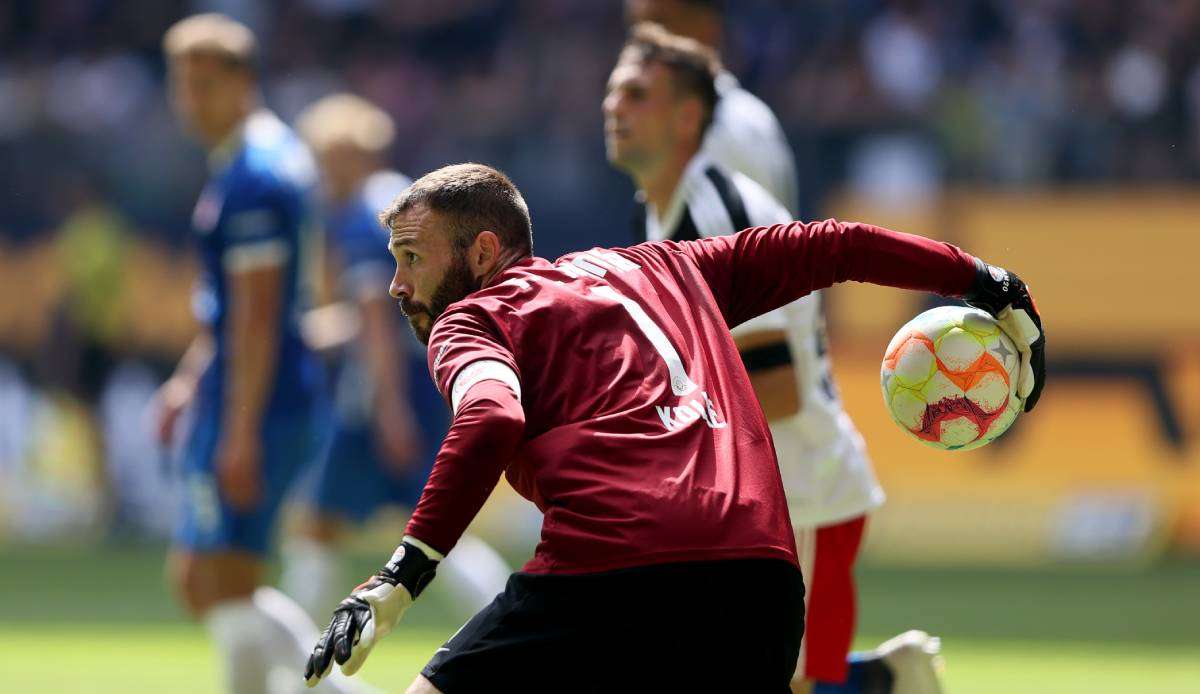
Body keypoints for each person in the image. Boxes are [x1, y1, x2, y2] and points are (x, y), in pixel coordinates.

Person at [302, 163, 1046, 693]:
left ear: (483, 254)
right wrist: (986, 280)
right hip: (761, 583)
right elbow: (832, 245)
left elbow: (493, 413)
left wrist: (401, 577)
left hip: (609, 570)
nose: (398, 284)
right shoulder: (665, 269)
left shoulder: (472, 318)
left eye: (410, 259)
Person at [613, 13, 946, 693]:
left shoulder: (718, 215)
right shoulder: (666, 207)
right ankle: (884, 680)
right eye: (614, 92)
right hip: (760, 499)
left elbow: (776, 388)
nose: (613, 107)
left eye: (636, 95)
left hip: (800, 495)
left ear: (685, 120)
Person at [153, 14, 361, 693]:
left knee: (222, 578)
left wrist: (239, 429)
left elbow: (258, 315)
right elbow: (237, 310)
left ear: (246, 81)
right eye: (183, 85)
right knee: (202, 578)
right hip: (250, 387)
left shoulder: (255, 177)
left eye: (207, 84)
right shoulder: (264, 159)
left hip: (261, 396)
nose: (192, 101)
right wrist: (189, 380)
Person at [286, 93, 512, 622]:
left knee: (333, 523)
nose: (321, 175)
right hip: (416, 376)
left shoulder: (367, 216)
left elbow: (374, 317)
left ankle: (288, 663)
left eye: (326, 160)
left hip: (385, 390)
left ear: (349, 155)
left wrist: (389, 411)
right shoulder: (401, 200)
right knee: (424, 521)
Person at [626, 0, 799, 214]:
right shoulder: (663, 127)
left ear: (707, 27)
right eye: (636, 27)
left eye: (659, 23)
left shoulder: (735, 130)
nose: (643, 43)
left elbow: (767, 244)